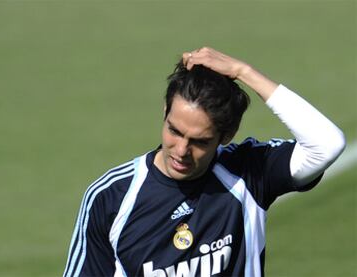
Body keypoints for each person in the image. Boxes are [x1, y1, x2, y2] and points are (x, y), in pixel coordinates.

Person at [63, 47, 345, 277]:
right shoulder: (111, 197)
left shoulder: (246, 173)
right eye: (174, 131)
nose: (181, 150)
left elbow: (327, 144)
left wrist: (242, 72)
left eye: (199, 141)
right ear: (165, 112)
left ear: (226, 135)